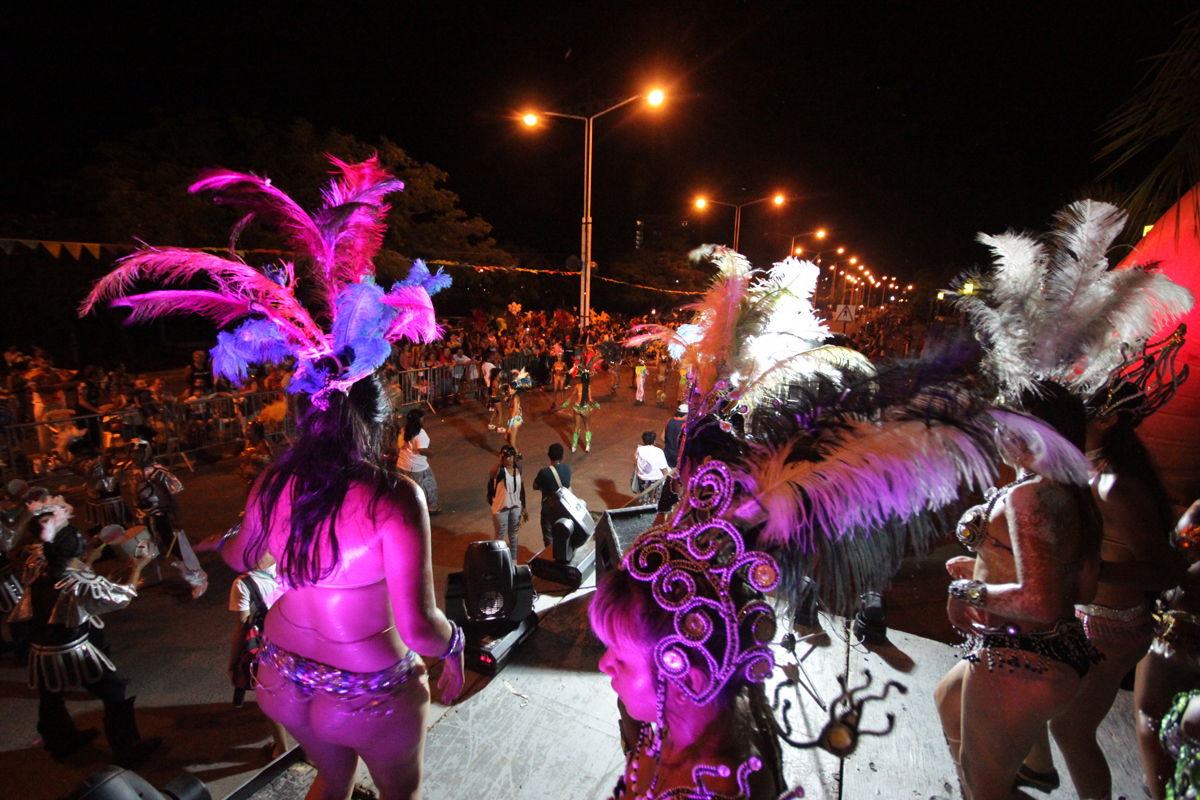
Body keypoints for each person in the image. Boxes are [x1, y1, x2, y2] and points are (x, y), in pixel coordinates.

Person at [83, 157, 464, 800]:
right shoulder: (392, 497)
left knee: (331, 782)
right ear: (376, 416)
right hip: (366, 693)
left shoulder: (273, 482)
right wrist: (454, 646)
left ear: (302, 414)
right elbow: (422, 626)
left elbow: (241, 556)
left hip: (284, 681)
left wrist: (228, 538)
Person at [934, 387, 1104, 800]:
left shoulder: (1029, 498)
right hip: (1052, 652)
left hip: (1020, 660)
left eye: (1005, 426)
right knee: (948, 699)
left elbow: (1038, 603)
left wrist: (968, 590)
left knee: (986, 786)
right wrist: (987, 566)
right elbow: (1082, 588)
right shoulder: (1074, 492)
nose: (997, 434)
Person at [1018, 380, 1183, 797]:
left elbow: (1166, 572)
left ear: (1107, 421)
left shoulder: (1115, 486)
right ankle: (1036, 767)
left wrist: (1091, 570)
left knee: (1070, 728)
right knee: (1023, 677)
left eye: (1079, 413)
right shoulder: (1079, 472)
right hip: (1079, 617)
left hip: (1114, 629)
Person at [10, 496, 161, 766]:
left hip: (40, 651)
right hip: (71, 651)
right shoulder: (79, 583)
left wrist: (88, 559)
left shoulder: (37, 566)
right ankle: (127, 750)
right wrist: (136, 568)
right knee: (113, 691)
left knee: (51, 695)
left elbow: (70, 572)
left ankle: (60, 742)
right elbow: (121, 597)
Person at [228, 551, 291, 760]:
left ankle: (281, 749)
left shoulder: (243, 584)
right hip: (297, 641)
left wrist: (233, 662)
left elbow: (242, 628)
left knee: (271, 699)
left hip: (269, 649)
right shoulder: (289, 567)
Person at [487, 444, 527, 560]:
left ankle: (513, 560)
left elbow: (521, 489)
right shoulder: (500, 471)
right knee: (500, 538)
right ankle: (499, 561)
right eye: (505, 456)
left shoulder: (518, 470)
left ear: (514, 457)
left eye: (510, 456)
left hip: (515, 507)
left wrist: (524, 507)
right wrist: (499, 461)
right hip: (501, 509)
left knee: (514, 536)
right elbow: (491, 474)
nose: (507, 459)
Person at [397, 409, 441, 515]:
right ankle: (431, 506)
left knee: (409, 487)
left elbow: (400, 444)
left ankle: (409, 506)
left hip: (402, 464)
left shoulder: (404, 430)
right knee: (428, 485)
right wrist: (431, 454)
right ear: (419, 419)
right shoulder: (421, 433)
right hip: (417, 467)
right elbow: (422, 449)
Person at [531, 443, 571, 548]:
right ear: (562, 456)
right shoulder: (567, 469)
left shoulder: (544, 472)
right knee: (562, 534)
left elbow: (535, 486)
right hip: (564, 508)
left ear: (549, 455)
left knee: (549, 537)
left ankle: (550, 553)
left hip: (549, 510)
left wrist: (543, 487)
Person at [565, 350, 601, 453]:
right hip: (585, 408)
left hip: (576, 407)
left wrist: (566, 402)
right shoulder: (588, 387)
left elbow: (571, 396)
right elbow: (590, 400)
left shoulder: (577, 386)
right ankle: (587, 446)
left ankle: (574, 446)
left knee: (576, 427)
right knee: (587, 427)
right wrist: (596, 404)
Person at [633, 431, 669, 504]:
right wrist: (667, 479)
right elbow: (664, 469)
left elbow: (635, 459)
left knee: (645, 497)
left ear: (643, 441)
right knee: (658, 498)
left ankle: (645, 505)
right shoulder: (659, 451)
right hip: (656, 479)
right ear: (654, 441)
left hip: (643, 478)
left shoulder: (639, 449)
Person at [662, 404, 687, 469]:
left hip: (667, 453)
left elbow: (662, 438)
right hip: (677, 455)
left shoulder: (669, 421)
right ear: (686, 414)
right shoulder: (685, 425)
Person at [506, 381, 524, 453]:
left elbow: (514, 412)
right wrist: (508, 400)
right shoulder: (512, 397)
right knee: (506, 437)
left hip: (515, 420)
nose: (509, 390)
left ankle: (516, 453)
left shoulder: (515, 398)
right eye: (509, 388)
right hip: (513, 419)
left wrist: (510, 426)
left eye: (511, 388)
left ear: (515, 390)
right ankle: (513, 451)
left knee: (512, 440)